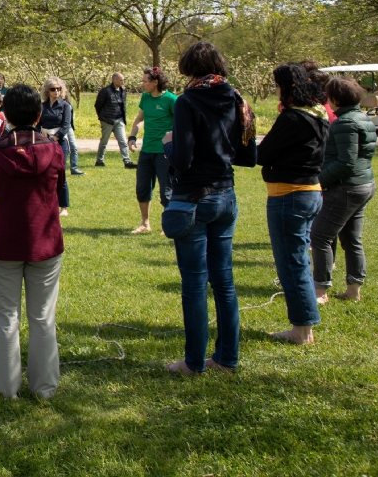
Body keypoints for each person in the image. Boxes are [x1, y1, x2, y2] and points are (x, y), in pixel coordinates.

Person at [162, 41, 257, 375]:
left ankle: (193, 363)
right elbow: (249, 155)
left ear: (189, 68)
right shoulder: (237, 99)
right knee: (225, 283)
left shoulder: (189, 101)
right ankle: (227, 359)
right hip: (226, 194)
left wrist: (169, 145)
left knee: (194, 285)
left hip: (193, 197)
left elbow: (183, 160)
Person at [0, 84, 65, 399]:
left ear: (8, 116)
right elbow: (58, 191)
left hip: (5, 241)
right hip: (44, 242)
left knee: (6, 316)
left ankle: (6, 387)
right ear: (39, 114)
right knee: (42, 316)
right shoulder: (54, 149)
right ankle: (44, 388)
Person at [257, 63, 328, 345]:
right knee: (299, 258)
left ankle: (302, 331)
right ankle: (304, 326)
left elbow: (262, 153)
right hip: (310, 192)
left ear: (286, 87)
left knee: (292, 263)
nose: (275, 90)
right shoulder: (317, 114)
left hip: (291, 195)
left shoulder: (294, 119)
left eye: (276, 85)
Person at [312, 77, 377, 304]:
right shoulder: (363, 118)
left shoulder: (345, 123)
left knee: (319, 236)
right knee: (351, 239)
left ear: (337, 98)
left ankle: (320, 291)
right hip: (363, 185)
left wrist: (319, 181)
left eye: (328, 95)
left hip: (346, 188)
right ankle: (353, 290)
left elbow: (346, 162)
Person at [127, 67, 177, 234]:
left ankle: (168, 224)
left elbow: (181, 123)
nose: (142, 84)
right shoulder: (145, 97)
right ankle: (145, 223)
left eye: (145, 81)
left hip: (165, 152)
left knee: (166, 191)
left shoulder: (171, 100)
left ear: (155, 82)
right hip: (147, 150)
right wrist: (132, 136)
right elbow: (140, 119)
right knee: (142, 187)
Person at [39, 79, 73, 216]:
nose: (56, 91)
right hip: (44, 141)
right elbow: (37, 123)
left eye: (59, 89)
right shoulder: (42, 106)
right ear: (48, 90)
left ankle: (63, 207)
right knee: (44, 172)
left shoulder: (65, 106)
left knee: (60, 173)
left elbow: (66, 125)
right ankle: (45, 204)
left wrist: (55, 137)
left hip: (59, 142)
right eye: (53, 89)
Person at [95, 72, 136, 169]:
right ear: (114, 80)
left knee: (122, 141)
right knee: (104, 141)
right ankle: (99, 161)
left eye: (123, 80)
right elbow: (98, 105)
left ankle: (127, 161)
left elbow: (123, 106)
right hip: (107, 120)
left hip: (119, 120)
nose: (123, 82)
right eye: (121, 80)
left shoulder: (123, 91)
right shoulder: (105, 91)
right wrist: (103, 117)